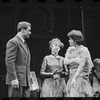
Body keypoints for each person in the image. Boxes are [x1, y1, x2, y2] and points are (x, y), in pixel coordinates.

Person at [64, 29, 94, 97]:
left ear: (75, 40)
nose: (69, 40)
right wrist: (74, 60)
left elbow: (81, 66)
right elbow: (65, 62)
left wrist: (75, 77)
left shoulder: (84, 50)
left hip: (79, 76)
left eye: (70, 39)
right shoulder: (70, 49)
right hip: (71, 76)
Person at [5, 21, 31, 97]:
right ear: (22, 30)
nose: (30, 33)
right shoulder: (13, 42)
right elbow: (9, 61)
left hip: (25, 81)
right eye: (29, 30)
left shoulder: (24, 43)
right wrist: (14, 79)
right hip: (17, 81)